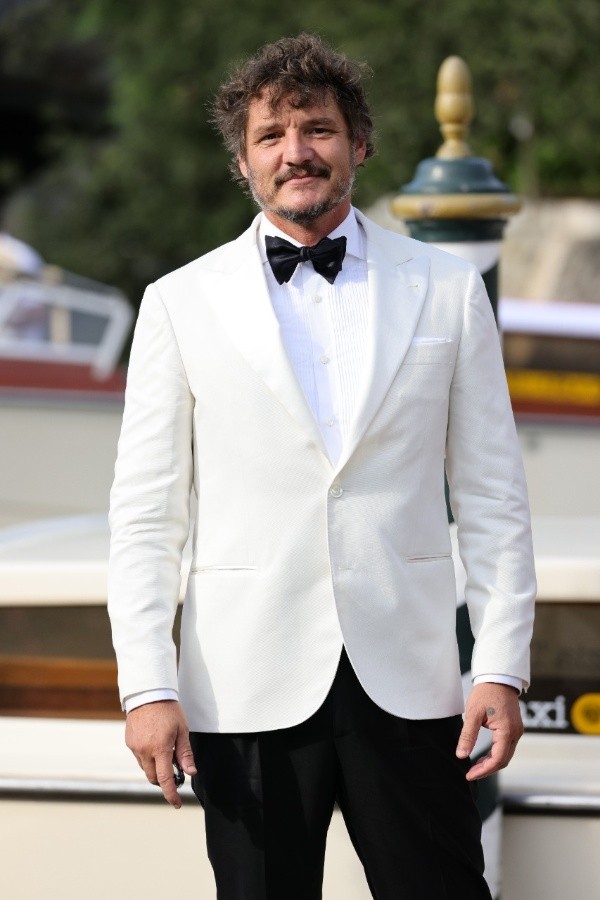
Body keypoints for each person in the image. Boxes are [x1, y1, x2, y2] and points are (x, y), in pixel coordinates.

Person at [108, 33, 536, 900]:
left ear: (359, 143)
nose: (295, 151)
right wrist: (146, 685)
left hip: (411, 682)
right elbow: (147, 517)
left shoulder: (448, 290)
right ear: (244, 161)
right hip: (244, 683)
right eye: (271, 135)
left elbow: (494, 496)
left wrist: (499, 665)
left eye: (318, 129)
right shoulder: (177, 303)